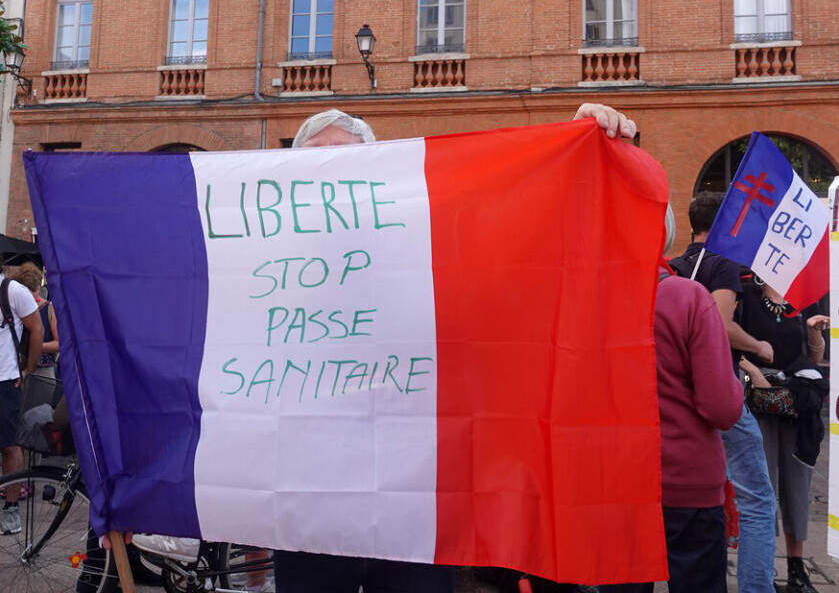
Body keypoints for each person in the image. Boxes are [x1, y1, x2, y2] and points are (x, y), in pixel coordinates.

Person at [134, 103, 638, 593]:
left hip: (413, 506)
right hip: (307, 508)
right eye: (314, 166)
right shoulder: (256, 263)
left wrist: (586, 149)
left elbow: (533, 231)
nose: (330, 180)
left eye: (347, 163)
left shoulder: (429, 236)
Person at [601, 205, 743, 593]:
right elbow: (722, 407)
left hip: (616, 483)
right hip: (689, 483)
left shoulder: (590, 304)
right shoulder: (689, 298)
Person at [671, 192, 779, 593]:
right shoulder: (723, 263)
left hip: (676, 399)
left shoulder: (675, 267)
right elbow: (717, 323)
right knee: (757, 504)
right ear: (723, 224)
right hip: (717, 393)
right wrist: (756, 347)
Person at [736, 276, 829, 593]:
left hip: (797, 403)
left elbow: (815, 358)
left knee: (797, 484)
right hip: (759, 402)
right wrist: (755, 371)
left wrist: (815, 329)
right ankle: (763, 568)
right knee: (762, 486)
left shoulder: (805, 297)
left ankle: (796, 570)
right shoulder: (745, 294)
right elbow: (731, 343)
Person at [0, 272, 44, 535]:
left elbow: (36, 328)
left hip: (6, 380)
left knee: (10, 446)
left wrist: (28, 368)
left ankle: (11, 509)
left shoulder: (13, 290)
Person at [13, 262, 58, 380]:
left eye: (30, 292)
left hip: (43, 373)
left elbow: (59, 343)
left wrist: (36, 346)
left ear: (38, 288)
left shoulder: (49, 309)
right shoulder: (17, 308)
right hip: (18, 369)